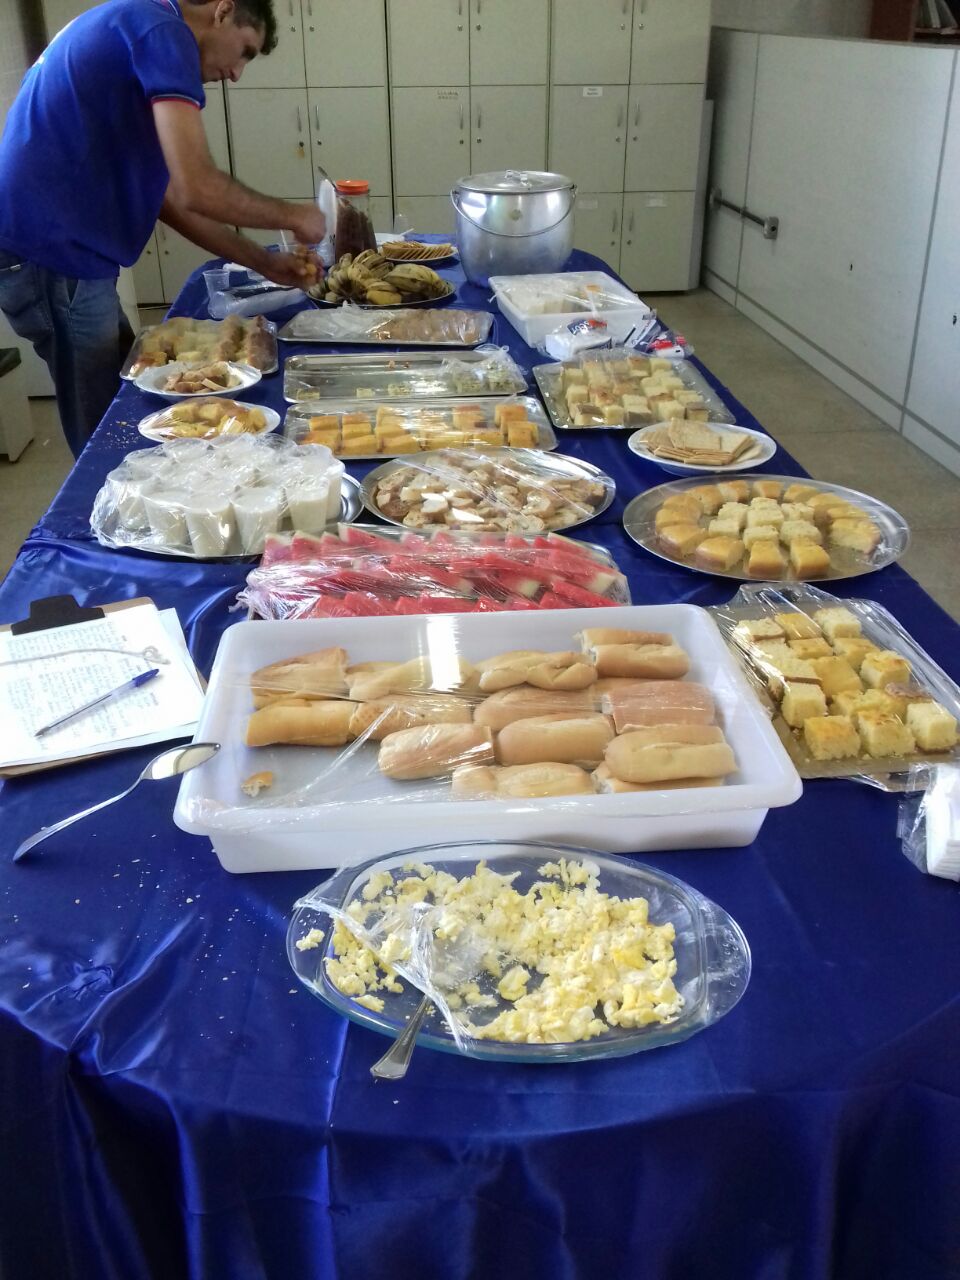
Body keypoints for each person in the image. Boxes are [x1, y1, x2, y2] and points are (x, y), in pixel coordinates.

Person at [0, 0, 325, 457]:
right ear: (222, 11)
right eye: (244, 51)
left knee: (126, 400)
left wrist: (266, 262)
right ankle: (113, 524)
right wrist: (295, 216)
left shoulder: (132, 26)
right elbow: (197, 187)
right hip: (51, 254)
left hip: (59, 254)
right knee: (105, 436)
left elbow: (172, 200)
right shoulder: (161, 30)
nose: (236, 74)